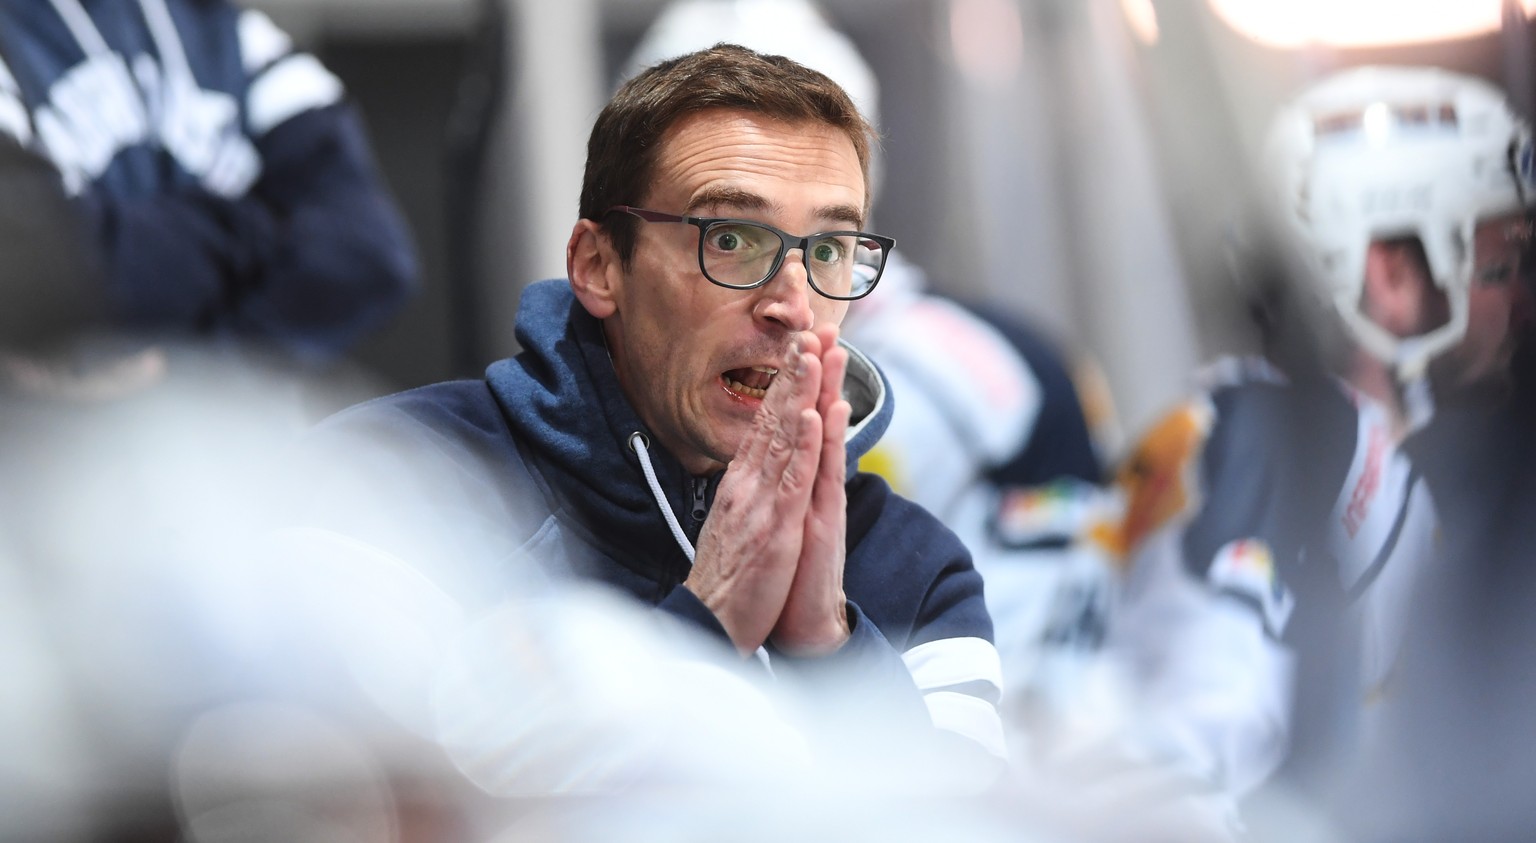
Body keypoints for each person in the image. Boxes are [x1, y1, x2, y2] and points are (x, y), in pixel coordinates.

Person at [302, 44, 1006, 766]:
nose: (794, 306)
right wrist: (706, 624)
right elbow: (357, 803)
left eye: (829, 251)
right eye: (731, 238)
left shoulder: (914, 569)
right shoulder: (395, 481)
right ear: (599, 266)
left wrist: (829, 649)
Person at [620, 0, 1118, 756]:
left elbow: (1056, 674)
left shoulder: (1002, 377)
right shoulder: (530, 432)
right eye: (725, 233)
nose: (777, 302)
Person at [1106, 66, 1535, 806]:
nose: (1519, 298)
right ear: (1393, 272)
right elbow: (1183, 764)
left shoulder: (1300, 436)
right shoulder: (1280, 438)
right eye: (1496, 264)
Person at [0, 0, 417, 362]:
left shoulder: (228, 31)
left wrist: (193, 377)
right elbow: (34, 264)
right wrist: (252, 227)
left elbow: (370, 254)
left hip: (222, 433)